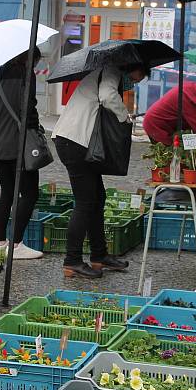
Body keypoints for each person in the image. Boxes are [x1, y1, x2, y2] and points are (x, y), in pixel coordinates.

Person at [52, 63, 149, 278]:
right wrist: (125, 116)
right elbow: (107, 96)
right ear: (133, 66)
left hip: (79, 142)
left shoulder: (105, 72)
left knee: (97, 197)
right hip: (74, 141)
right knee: (86, 202)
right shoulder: (111, 70)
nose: (134, 83)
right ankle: (72, 260)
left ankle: (99, 255)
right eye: (137, 77)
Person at [0, 49, 44, 260]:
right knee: (29, 193)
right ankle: (16, 244)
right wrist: (36, 128)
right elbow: (28, 108)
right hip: (19, 142)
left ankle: (0, 242)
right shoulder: (26, 75)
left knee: (7, 192)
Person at [143, 79, 196, 145]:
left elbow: (193, 128)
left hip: (164, 124)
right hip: (156, 125)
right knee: (170, 156)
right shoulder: (189, 98)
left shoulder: (194, 91)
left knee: (181, 152)